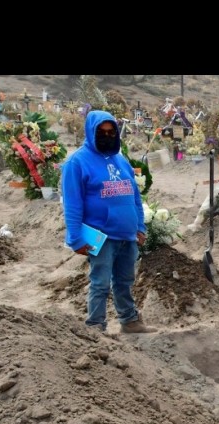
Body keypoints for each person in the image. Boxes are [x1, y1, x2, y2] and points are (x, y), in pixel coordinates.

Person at [61, 109, 156, 334]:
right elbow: (72, 204)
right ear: (91, 132)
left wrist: (140, 227)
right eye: (101, 132)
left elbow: (134, 197)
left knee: (125, 281)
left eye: (111, 132)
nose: (107, 136)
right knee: (100, 283)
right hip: (100, 236)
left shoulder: (121, 161)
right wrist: (75, 238)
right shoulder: (77, 162)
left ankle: (129, 321)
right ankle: (96, 326)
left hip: (127, 235)